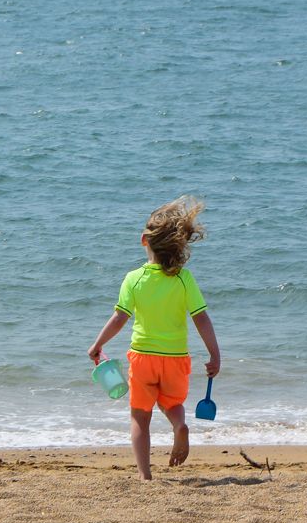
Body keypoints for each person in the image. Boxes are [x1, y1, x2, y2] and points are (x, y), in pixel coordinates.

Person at [88, 197, 221, 481]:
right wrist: (214, 355)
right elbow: (201, 318)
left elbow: (119, 318)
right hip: (175, 358)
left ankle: (145, 475)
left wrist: (98, 344)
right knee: (172, 404)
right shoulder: (184, 279)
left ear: (143, 241)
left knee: (140, 416)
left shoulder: (133, 279)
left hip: (143, 357)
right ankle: (179, 425)